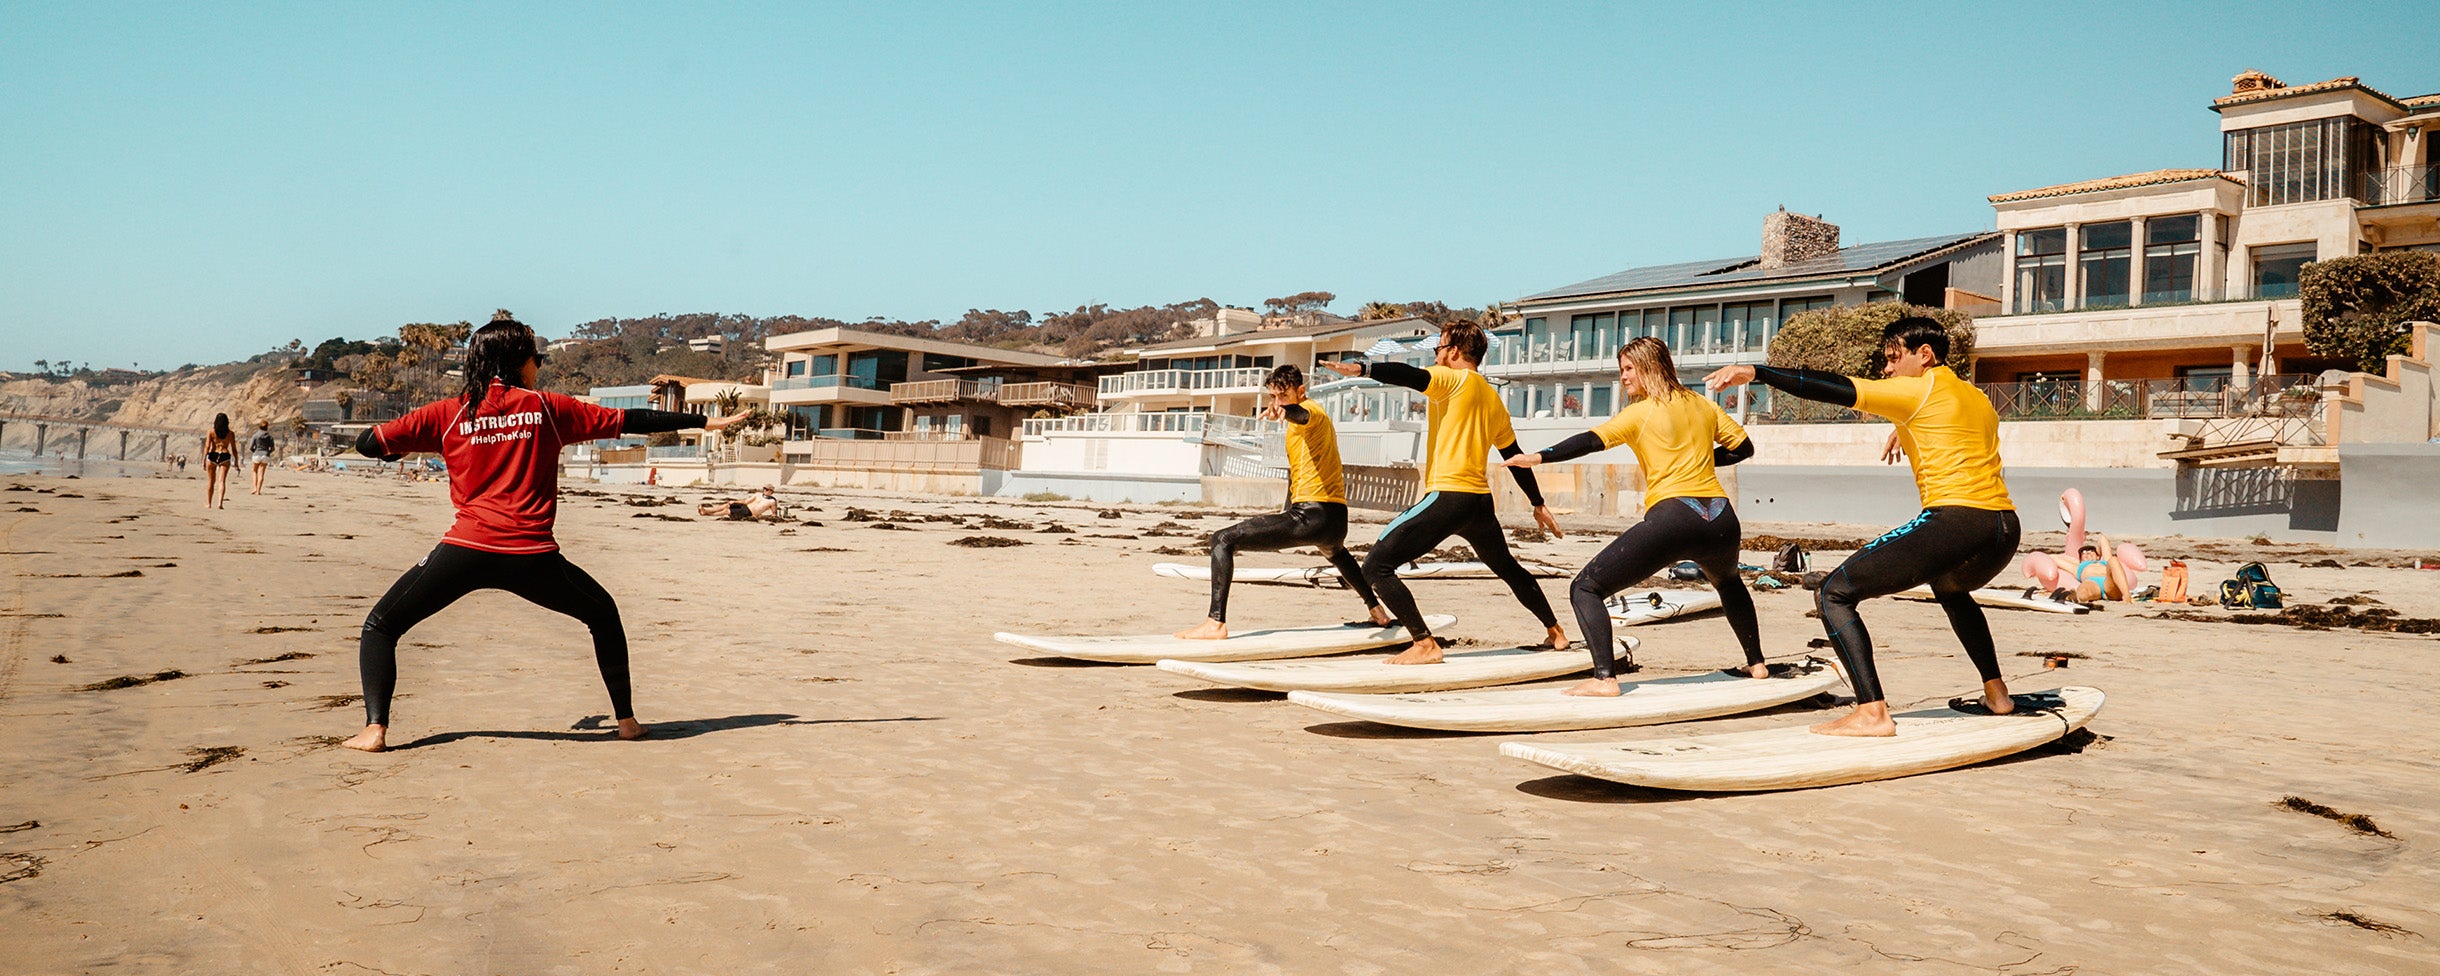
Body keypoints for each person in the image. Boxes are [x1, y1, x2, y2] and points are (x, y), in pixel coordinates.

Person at [339, 313, 749, 753]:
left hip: (466, 548)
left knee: (381, 626)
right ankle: (627, 723)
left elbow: (368, 443)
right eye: (537, 356)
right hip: (532, 557)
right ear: (518, 360)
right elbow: (632, 420)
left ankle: (374, 730)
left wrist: (399, 447)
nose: (540, 363)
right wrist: (703, 424)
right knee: (603, 614)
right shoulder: (548, 409)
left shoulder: (449, 413)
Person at [1704, 316, 2021, 736]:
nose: (1886, 370)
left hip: (1957, 519)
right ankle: (1997, 694)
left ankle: (1872, 712)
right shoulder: (1974, 397)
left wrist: (1757, 372)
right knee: (1951, 588)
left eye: (1893, 359)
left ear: (1924, 355)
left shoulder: (1914, 390)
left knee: (1834, 592)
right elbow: (1949, 429)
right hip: (2003, 528)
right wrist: (1903, 427)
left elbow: (1831, 386)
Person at [1502, 337, 1763, 696]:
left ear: (1649, 367)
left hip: (1675, 515)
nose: (1623, 377)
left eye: (1628, 369)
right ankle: (1757, 663)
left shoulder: (1640, 412)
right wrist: (1701, 460)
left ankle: (1605, 679)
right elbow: (1744, 448)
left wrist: (1538, 457)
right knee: (1729, 583)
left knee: (1585, 588)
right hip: (1720, 518)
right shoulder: (1703, 405)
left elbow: (1592, 440)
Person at [1320, 321, 1569, 664]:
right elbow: (1514, 457)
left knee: (1376, 566)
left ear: (1453, 352)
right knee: (1508, 567)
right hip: (1479, 503)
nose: (1435, 355)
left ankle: (1424, 643)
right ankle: (1556, 631)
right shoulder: (1492, 398)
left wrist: (1364, 368)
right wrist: (1537, 504)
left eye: (1438, 348)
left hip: (1448, 497)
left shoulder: (1452, 380)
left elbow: (1409, 375)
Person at [1175, 365, 1391, 640]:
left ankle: (1215, 623)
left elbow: (1302, 415)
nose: (1278, 403)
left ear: (1301, 391)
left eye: (1284, 396)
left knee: (1222, 539)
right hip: (1335, 519)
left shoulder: (1313, 412)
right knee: (1337, 554)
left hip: (1314, 515)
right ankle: (1377, 611)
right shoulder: (1298, 426)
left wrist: (1287, 411)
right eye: (1274, 397)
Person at [200, 414, 237, 509]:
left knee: (211, 481)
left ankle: (208, 503)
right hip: (224, 455)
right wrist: (236, 461)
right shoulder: (230, 433)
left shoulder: (211, 432)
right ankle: (220, 503)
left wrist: (203, 459)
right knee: (222, 481)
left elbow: (207, 446)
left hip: (213, 454)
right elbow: (234, 449)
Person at [698, 485, 781, 521]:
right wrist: (735, 501)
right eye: (764, 489)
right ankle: (706, 510)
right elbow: (746, 501)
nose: (764, 490)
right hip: (745, 506)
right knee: (727, 505)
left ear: (771, 491)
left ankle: (706, 513)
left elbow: (774, 514)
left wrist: (762, 517)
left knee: (727, 511)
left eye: (766, 489)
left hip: (749, 512)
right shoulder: (758, 494)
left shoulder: (772, 501)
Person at [246, 420, 275, 495]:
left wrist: (255, 451)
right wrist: (268, 452)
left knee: (254, 471)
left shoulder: (255, 435)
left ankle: (254, 488)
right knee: (261, 473)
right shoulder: (269, 436)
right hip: (265, 455)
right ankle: (258, 491)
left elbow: (251, 447)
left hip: (256, 454)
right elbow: (272, 448)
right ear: (267, 427)